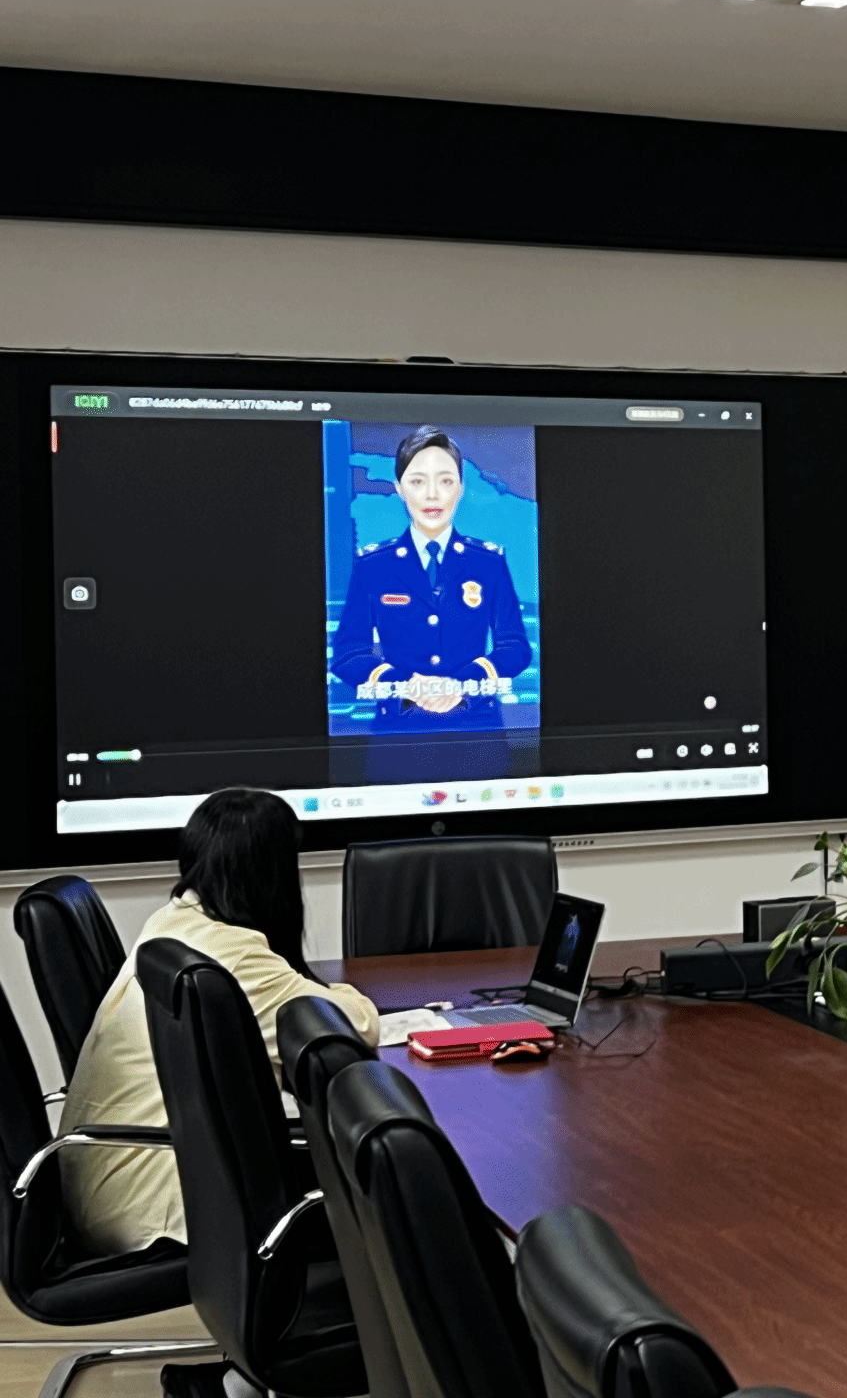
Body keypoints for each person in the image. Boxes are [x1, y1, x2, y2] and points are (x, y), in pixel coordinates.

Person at [59, 789, 380, 1256]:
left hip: (109, 1185)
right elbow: (355, 1029)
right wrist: (346, 993)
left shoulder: (174, 922)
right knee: (388, 1195)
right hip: (160, 1208)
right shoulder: (232, 953)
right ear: (273, 874)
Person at [331, 424, 532, 734]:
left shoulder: (488, 562)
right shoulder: (373, 565)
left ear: (460, 488)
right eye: (417, 481)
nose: (432, 494)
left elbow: (515, 647)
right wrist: (405, 685)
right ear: (399, 488)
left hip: (477, 730)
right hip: (397, 731)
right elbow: (348, 655)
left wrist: (462, 683)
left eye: (446, 481)